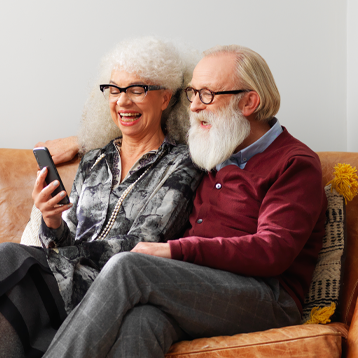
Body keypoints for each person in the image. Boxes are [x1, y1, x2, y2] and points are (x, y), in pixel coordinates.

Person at [42, 45, 327, 358]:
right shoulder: (214, 148)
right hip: (200, 286)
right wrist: (80, 142)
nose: (193, 107)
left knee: (128, 266)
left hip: (265, 296)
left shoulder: (295, 163)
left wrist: (175, 250)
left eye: (207, 95)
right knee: (142, 321)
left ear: (249, 101)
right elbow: (141, 129)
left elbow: (273, 251)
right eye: (192, 93)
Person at [0, 37, 202, 357]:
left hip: (112, 290)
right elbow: (66, 237)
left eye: (137, 90)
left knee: (9, 256)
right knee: (11, 307)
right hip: (63, 282)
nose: (123, 101)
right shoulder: (95, 159)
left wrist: (67, 254)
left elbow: (143, 244)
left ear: (165, 97)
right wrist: (52, 222)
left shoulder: (182, 165)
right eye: (115, 89)